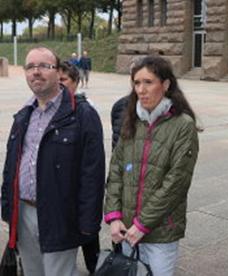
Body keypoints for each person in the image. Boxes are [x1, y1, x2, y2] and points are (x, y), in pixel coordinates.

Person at [1, 47, 105, 276]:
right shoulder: (23, 116)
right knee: (31, 272)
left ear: (58, 73)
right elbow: (11, 167)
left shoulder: (82, 115)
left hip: (60, 214)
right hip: (24, 213)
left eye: (44, 66)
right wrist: (7, 208)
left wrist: (89, 223)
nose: (36, 72)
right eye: (30, 67)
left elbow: (92, 174)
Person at [104, 55, 199, 276]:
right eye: (137, 83)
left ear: (165, 85)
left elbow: (177, 181)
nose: (141, 89)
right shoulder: (132, 119)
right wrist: (115, 216)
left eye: (148, 82)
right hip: (127, 230)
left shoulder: (183, 125)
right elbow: (116, 170)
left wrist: (143, 224)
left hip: (160, 232)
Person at [58, 60, 100, 275]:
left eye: (64, 80)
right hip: (62, 192)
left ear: (75, 82)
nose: (59, 84)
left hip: (80, 190)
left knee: (89, 236)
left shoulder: (86, 111)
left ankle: (96, 267)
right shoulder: (50, 109)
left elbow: (93, 164)